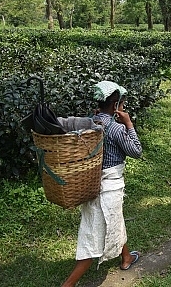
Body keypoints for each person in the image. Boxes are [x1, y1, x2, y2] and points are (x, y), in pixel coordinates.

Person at [62, 81, 143, 287]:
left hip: (90, 182)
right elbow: (136, 151)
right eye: (123, 105)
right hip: (109, 187)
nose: (124, 108)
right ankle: (68, 284)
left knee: (115, 221)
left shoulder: (90, 122)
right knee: (94, 236)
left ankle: (126, 257)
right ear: (116, 105)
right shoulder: (115, 129)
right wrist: (129, 124)